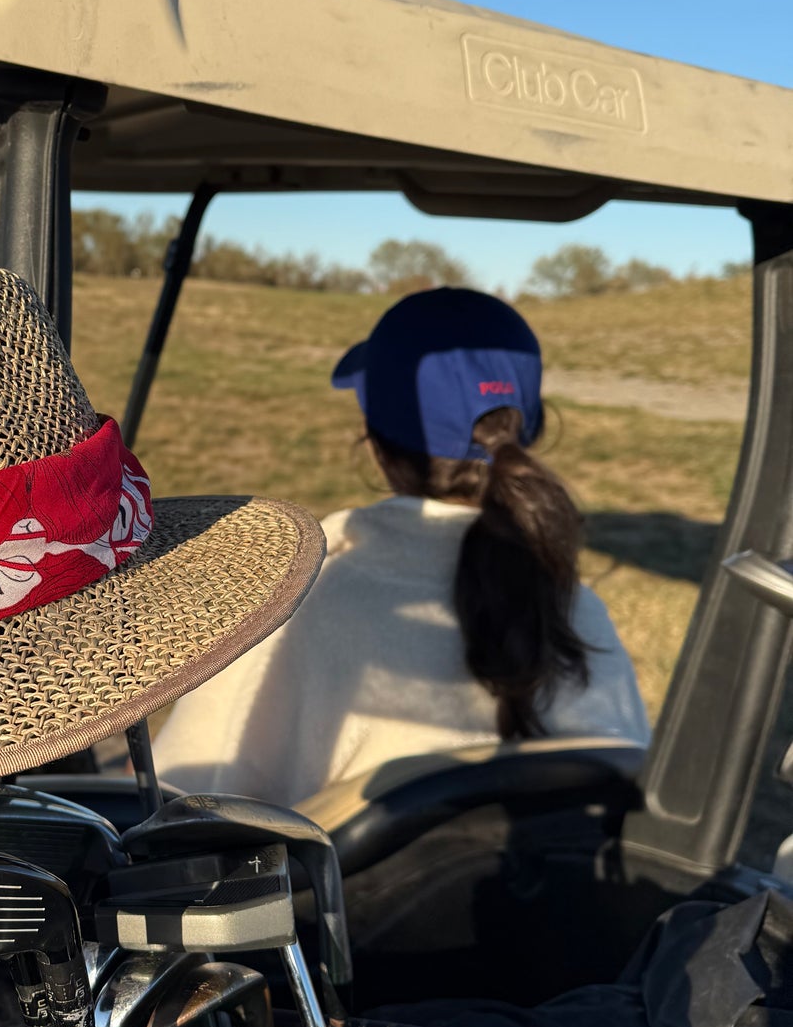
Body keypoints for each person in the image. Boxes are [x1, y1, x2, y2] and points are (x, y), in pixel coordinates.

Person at [153, 286, 650, 806]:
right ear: (529, 430)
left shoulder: (300, 601)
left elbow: (178, 809)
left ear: (377, 446)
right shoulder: (579, 610)